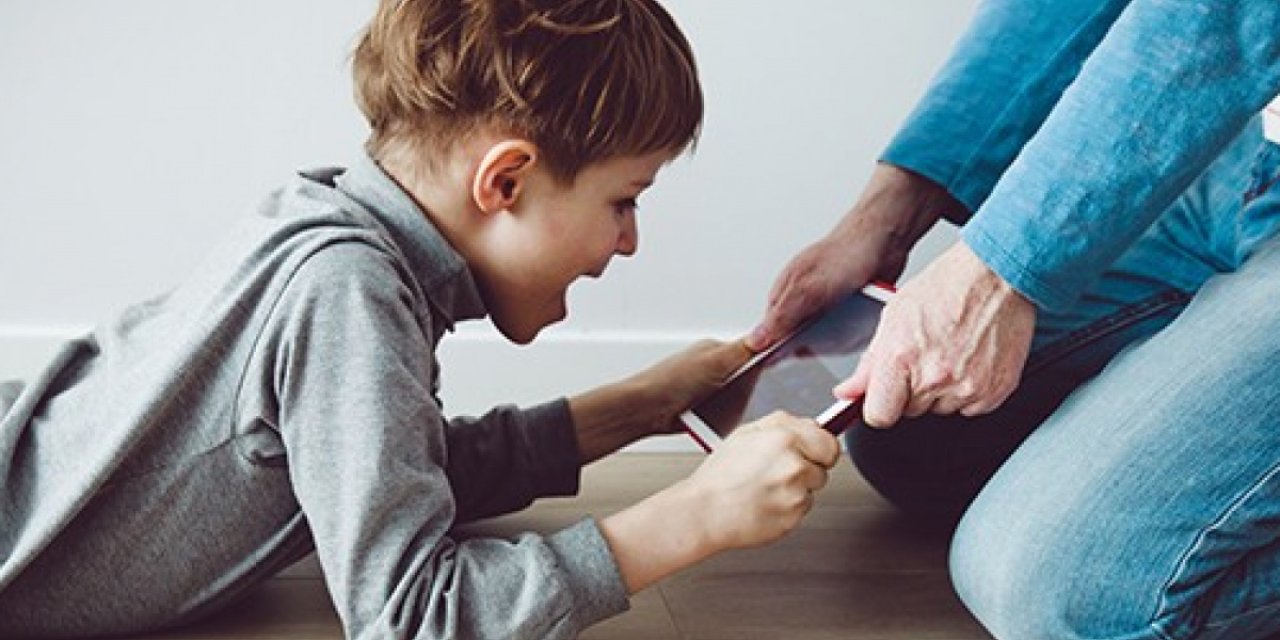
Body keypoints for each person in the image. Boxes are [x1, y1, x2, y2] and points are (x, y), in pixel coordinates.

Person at [0, 1, 842, 638]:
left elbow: (381, 473)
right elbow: (409, 614)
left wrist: (640, 406)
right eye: (624, 201)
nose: (629, 242)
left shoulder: (334, 226)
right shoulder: (347, 289)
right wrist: (691, 518)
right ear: (504, 181)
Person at [751, 1, 1280, 639]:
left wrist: (998, 276)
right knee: (913, 441)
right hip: (1243, 165)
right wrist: (887, 217)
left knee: (1057, 595)